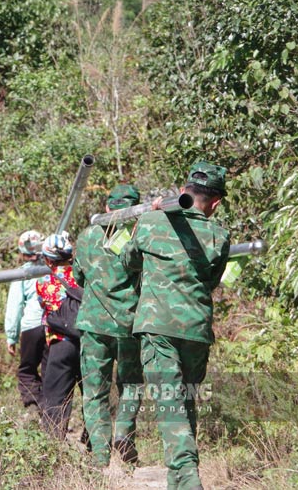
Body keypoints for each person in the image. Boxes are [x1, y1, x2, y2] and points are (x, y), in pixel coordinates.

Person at [121, 162, 230, 490]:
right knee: (184, 402)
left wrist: (152, 216)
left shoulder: (153, 221)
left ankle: (187, 480)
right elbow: (211, 280)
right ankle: (180, 480)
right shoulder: (219, 235)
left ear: (184, 191)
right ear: (215, 203)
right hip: (196, 331)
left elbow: (128, 262)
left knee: (170, 404)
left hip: (158, 329)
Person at [74, 185, 144, 468]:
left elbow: (79, 276)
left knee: (94, 391)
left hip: (93, 324)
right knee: (131, 385)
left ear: (106, 208)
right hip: (129, 324)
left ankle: (101, 455)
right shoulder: (141, 235)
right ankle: (124, 437)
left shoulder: (87, 236)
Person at [37, 232, 82, 438]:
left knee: (55, 400)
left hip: (61, 344)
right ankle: (96, 446)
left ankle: (54, 445)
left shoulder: (44, 281)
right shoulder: (83, 275)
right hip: (88, 341)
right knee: (92, 397)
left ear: (47, 259)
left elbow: (45, 305)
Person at [4, 230, 47, 411]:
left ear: (22, 253)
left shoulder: (21, 274)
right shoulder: (51, 267)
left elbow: (15, 306)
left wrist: (11, 337)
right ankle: (51, 409)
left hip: (32, 326)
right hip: (56, 325)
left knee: (27, 371)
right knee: (49, 372)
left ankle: (33, 408)